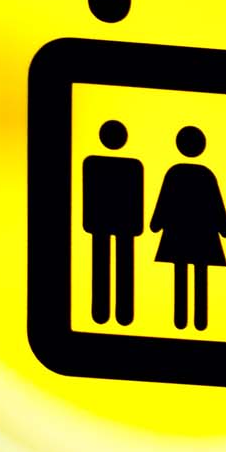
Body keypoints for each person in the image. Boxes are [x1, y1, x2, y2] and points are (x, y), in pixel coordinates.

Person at [150, 125, 226, 331]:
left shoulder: (175, 173)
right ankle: (198, 320)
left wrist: (156, 223)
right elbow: (216, 204)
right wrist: (224, 228)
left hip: (179, 233)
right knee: (199, 274)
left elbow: (164, 202)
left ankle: (182, 319)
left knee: (181, 273)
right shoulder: (205, 174)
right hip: (202, 234)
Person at [80, 119, 143, 325]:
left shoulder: (94, 164)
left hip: (107, 222)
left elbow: (136, 198)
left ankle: (112, 313)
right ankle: (111, 313)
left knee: (108, 265)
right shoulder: (131, 166)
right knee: (115, 265)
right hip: (114, 223)